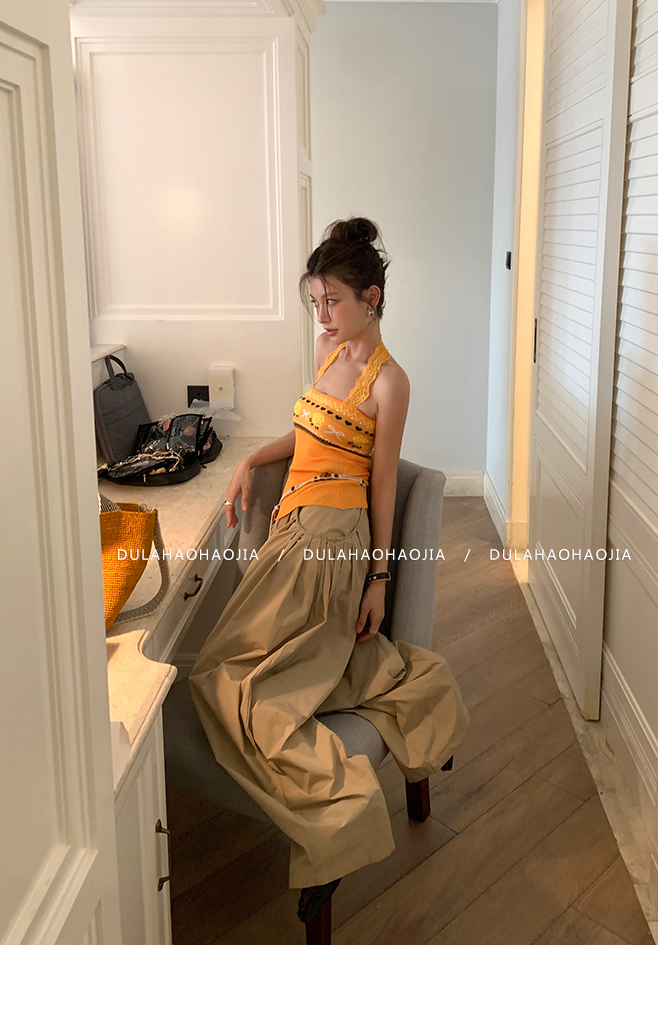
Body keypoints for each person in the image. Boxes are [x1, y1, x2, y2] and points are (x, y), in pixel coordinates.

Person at [189, 217, 469, 928]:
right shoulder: (326, 349)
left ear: (371, 297)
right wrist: (251, 460)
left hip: (332, 541)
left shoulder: (390, 383)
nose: (323, 314)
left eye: (334, 301)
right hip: (294, 526)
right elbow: (310, 431)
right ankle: (383, 697)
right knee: (227, 674)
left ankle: (338, 823)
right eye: (316, 301)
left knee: (227, 681)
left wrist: (378, 579)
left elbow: (382, 484)